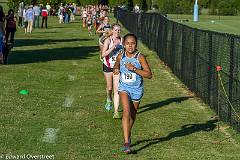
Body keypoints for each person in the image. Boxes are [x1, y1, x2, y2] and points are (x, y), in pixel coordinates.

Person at [113, 33, 152, 153]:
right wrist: (116, 68)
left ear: (136, 44)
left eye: (133, 43)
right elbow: (116, 64)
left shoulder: (140, 57)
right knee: (126, 111)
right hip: (124, 88)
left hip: (137, 90)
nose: (130, 46)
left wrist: (134, 69)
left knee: (133, 115)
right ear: (123, 45)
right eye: (127, 43)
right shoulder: (120, 55)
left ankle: (127, 135)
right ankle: (126, 143)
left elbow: (149, 75)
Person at [101, 24, 123, 118]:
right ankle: (109, 99)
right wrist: (113, 46)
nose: (117, 32)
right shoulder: (108, 40)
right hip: (108, 66)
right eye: (115, 30)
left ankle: (116, 111)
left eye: (119, 30)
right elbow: (103, 54)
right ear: (112, 30)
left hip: (117, 67)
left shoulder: (122, 40)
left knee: (116, 89)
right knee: (109, 88)